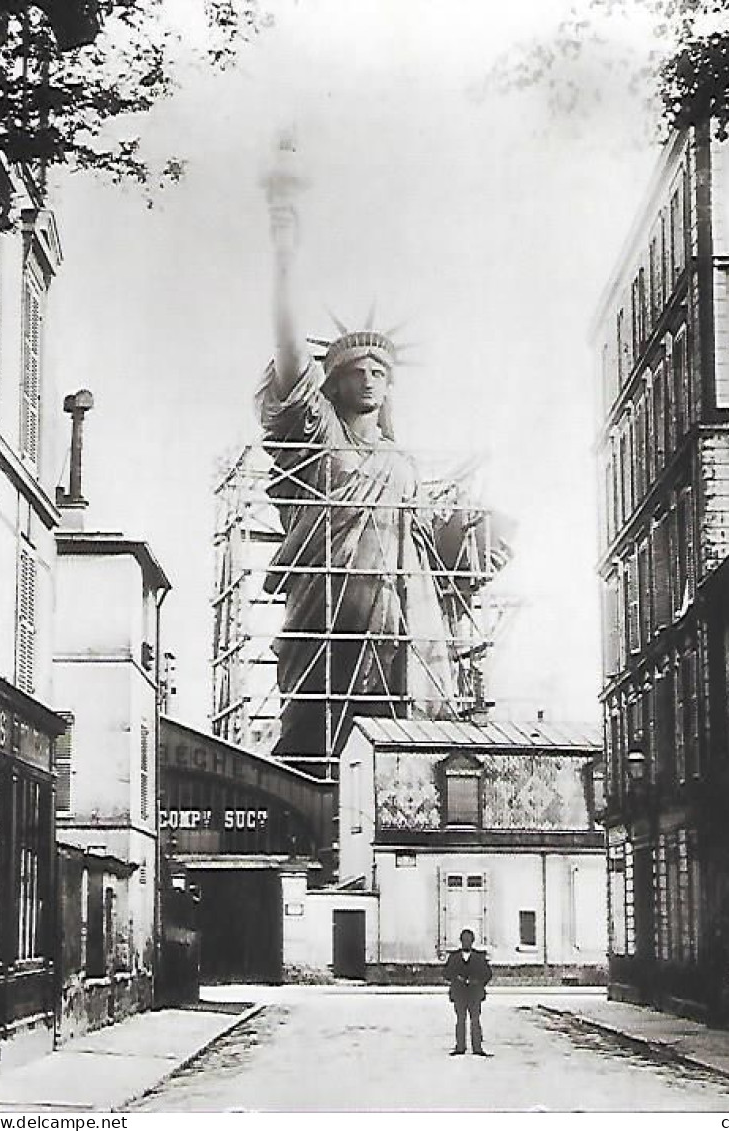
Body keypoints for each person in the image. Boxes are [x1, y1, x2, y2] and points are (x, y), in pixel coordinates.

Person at [257, 137, 460, 769]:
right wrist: (285, 254)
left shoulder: (404, 462)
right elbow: (289, 354)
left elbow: (428, 547)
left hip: (397, 610)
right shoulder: (320, 432)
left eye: (380, 370)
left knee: (395, 740)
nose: (369, 378)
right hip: (330, 601)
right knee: (316, 727)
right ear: (333, 381)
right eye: (355, 369)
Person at [443, 928, 493, 1056]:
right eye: (464, 940)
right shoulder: (454, 957)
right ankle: (460, 1047)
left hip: (474, 994)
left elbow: (487, 974)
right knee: (460, 1020)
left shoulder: (479, 957)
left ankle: (477, 1047)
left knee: (475, 1020)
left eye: (469, 941)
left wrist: (477, 981)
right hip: (459, 994)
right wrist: (456, 978)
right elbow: (446, 973)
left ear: (472, 942)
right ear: (461, 941)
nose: (466, 943)